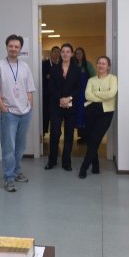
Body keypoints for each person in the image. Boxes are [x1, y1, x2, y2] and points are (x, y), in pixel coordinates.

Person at [0, 34, 36, 192]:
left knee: (21, 146)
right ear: (6, 47)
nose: (13, 49)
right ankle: (9, 177)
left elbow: (30, 89)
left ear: (20, 49)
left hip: (25, 112)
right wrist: (4, 109)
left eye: (16, 46)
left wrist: (30, 107)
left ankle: (17, 172)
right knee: (8, 147)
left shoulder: (24, 67)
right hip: (9, 113)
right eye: (11, 46)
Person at [78, 56, 117, 179]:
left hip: (106, 112)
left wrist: (96, 94)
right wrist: (102, 96)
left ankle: (84, 167)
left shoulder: (113, 79)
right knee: (90, 140)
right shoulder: (91, 80)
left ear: (108, 66)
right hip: (90, 111)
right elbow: (87, 95)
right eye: (99, 63)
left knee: (95, 139)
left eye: (104, 64)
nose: (101, 65)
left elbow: (111, 94)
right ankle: (95, 165)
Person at [46, 43, 81, 171]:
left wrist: (69, 98)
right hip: (56, 105)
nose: (65, 54)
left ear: (72, 54)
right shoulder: (54, 69)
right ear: (60, 54)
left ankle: (66, 162)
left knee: (69, 134)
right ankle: (52, 161)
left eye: (68, 51)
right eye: (63, 51)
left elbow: (78, 88)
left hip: (71, 106)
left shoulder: (77, 69)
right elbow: (51, 87)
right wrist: (60, 99)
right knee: (55, 133)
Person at [73, 47, 96, 143]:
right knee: (78, 114)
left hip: (86, 94)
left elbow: (94, 78)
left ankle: (87, 136)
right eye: (77, 53)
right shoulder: (73, 65)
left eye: (80, 53)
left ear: (83, 54)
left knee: (86, 114)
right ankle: (81, 136)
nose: (78, 55)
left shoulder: (88, 65)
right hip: (76, 94)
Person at [42, 46, 61, 136]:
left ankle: (56, 134)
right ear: (51, 53)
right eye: (55, 52)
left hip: (57, 94)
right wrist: (47, 76)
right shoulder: (44, 64)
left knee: (56, 116)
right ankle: (43, 132)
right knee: (45, 113)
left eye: (58, 52)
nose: (57, 54)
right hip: (46, 93)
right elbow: (42, 76)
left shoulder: (61, 64)